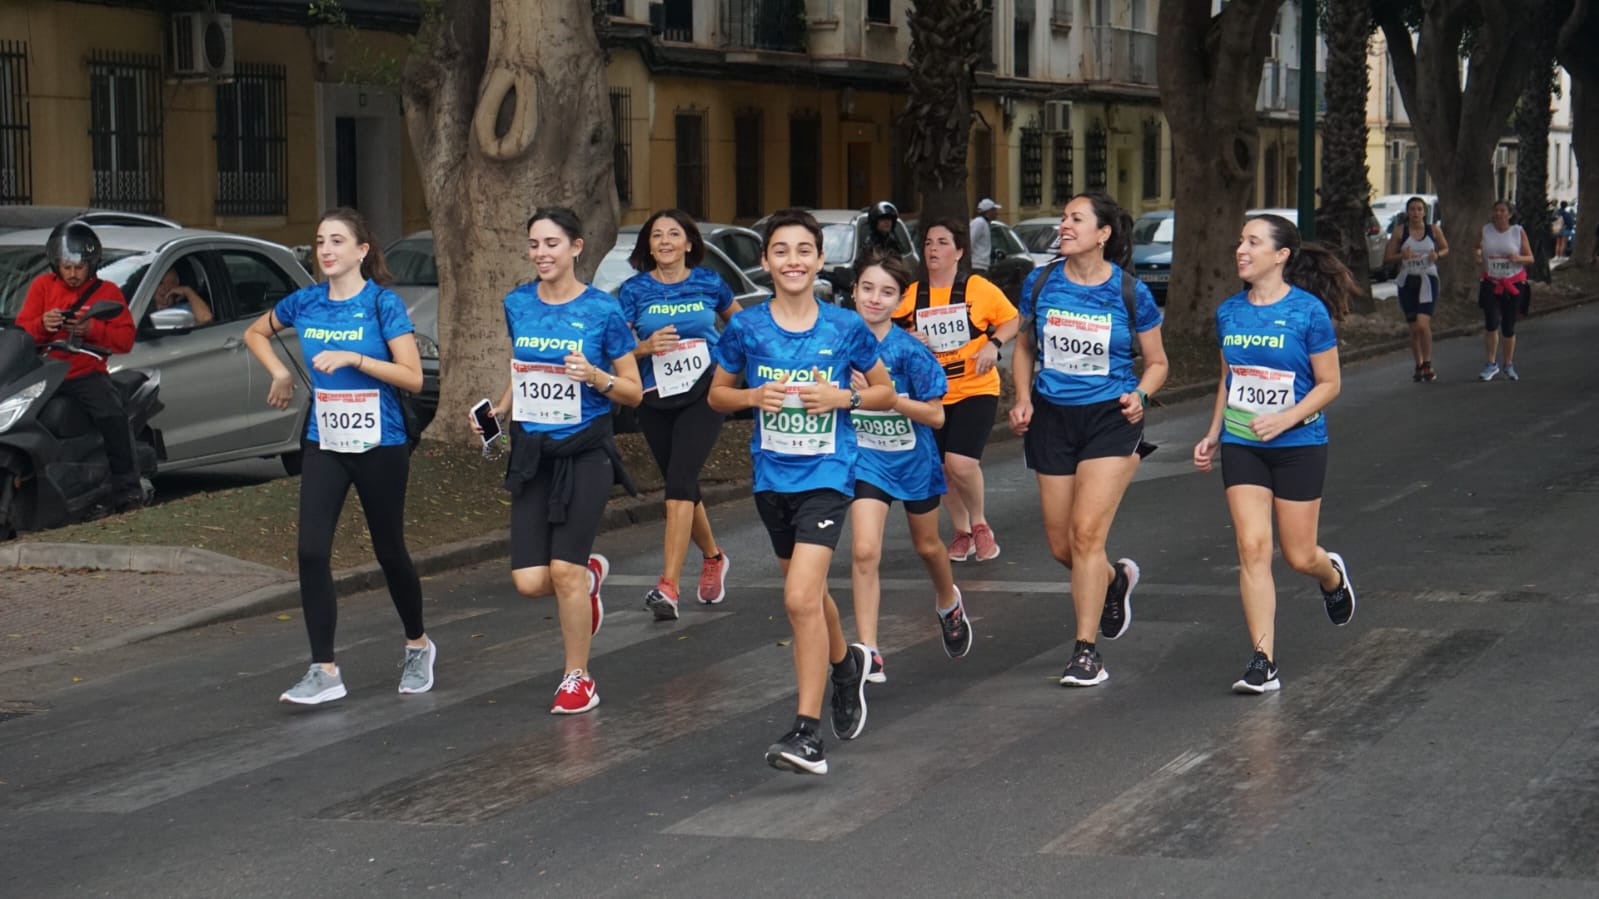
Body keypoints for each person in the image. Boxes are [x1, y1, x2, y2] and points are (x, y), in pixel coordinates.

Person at [709, 208, 897, 774]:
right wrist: (750, 398)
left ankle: (806, 733)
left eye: (803, 251)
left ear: (820, 260)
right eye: (781, 252)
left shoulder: (843, 328)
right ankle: (845, 668)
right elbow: (718, 394)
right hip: (772, 478)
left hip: (828, 476)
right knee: (808, 593)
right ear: (765, 262)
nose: (793, 261)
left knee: (797, 599)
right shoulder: (745, 326)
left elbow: (885, 392)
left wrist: (846, 399)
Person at [242, 207, 432, 705]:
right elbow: (255, 333)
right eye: (320, 241)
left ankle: (417, 644)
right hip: (325, 439)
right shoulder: (305, 302)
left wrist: (356, 358)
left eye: (337, 241)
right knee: (310, 550)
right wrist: (279, 374)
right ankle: (324, 669)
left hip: (381, 442)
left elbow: (413, 377)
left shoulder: (382, 305)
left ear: (362, 251)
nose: (325, 250)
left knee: (389, 551)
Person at [478, 206, 643, 715]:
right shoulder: (518, 303)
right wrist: (499, 410)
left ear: (576, 247)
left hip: (586, 452)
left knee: (562, 571)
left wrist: (596, 377)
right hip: (532, 453)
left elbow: (634, 392)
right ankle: (589, 576)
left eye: (551, 243)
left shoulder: (602, 311)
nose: (541, 253)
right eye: (533, 244)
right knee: (530, 582)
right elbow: (522, 366)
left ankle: (578, 677)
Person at [1192, 213, 1360, 695]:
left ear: (1281, 255)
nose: (1241, 249)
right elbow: (1231, 379)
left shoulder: (1309, 312)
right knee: (1252, 547)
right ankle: (1262, 660)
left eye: (1253, 241)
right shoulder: (1229, 312)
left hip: (1298, 445)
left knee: (1299, 554)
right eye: (1240, 240)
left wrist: (1286, 419)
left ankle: (1331, 576)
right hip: (1244, 444)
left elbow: (1330, 384)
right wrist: (1213, 432)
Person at [1008, 191, 1168, 688]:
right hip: (1053, 417)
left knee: (1085, 537)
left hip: (1110, 418)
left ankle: (1086, 652)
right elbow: (1025, 347)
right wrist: (1022, 397)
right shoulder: (1040, 282)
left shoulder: (1129, 292)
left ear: (1103, 234)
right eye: (1063, 218)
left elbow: (1159, 362)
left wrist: (1141, 393)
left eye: (1076, 219)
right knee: (1063, 546)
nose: (1064, 225)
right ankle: (1115, 580)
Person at [846, 249, 973, 687]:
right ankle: (869, 650)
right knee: (864, 550)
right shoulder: (838, 343)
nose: (875, 299)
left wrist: (887, 397)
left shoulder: (909, 351)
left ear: (900, 301)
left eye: (887, 292)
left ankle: (947, 601)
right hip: (865, 461)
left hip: (912, 461)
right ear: (854, 291)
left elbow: (937, 417)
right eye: (867, 289)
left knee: (929, 547)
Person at [618, 210, 739, 620]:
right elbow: (615, 346)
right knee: (681, 483)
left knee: (680, 482)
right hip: (654, 395)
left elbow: (739, 326)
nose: (665, 241)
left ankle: (668, 585)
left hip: (703, 390)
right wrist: (643, 348)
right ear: (648, 246)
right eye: (657, 235)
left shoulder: (709, 283)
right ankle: (713, 556)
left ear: (689, 243)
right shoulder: (633, 290)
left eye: (674, 234)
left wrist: (726, 364)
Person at [894, 219, 1018, 565]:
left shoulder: (978, 288)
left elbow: (1012, 318)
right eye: (929, 242)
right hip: (931, 394)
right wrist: (906, 338)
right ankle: (961, 532)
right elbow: (884, 331)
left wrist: (994, 344)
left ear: (959, 252)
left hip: (975, 387)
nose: (933, 249)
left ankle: (980, 524)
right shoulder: (912, 294)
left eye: (942, 242)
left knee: (960, 463)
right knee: (943, 469)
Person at [17, 221, 140, 509]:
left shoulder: (107, 292)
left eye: (79, 267)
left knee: (112, 416)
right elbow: (22, 332)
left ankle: (128, 487)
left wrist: (91, 330)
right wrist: (42, 325)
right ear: (55, 264)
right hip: (45, 371)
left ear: (91, 264)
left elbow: (125, 339)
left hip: (86, 373)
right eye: (67, 266)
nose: (72, 274)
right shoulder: (41, 287)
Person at [1382, 196, 1449, 382]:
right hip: (1407, 281)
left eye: (1419, 209)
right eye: (1412, 209)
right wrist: (1401, 255)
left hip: (1428, 280)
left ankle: (1428, 363)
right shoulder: (1399, 232)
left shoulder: (1433, 230)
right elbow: (1388, 257)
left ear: (1424, 212)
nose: (1416, 213)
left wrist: (1437, 254)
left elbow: (1445, 248)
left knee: (1422, 324)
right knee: (1413, 328)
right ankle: (1418, 364)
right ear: (1407, 212)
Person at [1473, 200, 1534, 382]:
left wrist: (1518, 257)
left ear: (1510, 214)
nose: (1498, 214)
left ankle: (1508, 364)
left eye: (1502, 211)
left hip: (1514, 283)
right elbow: (1477, 247)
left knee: (1508, 326)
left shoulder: (1517, 232)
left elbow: (1530, 257)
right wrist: (1477, 254)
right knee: (1491, 322)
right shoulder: (1486, 230)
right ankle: (1491, 364)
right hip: (1491, 281)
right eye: (1496, 210)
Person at [968, 198, 1001, 272]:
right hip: (977, 265)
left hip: (982, 265)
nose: (996, 213)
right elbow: (971, 241)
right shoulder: (979, 223)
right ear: (989, 211)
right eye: (994, 210)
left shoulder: (984, 223)